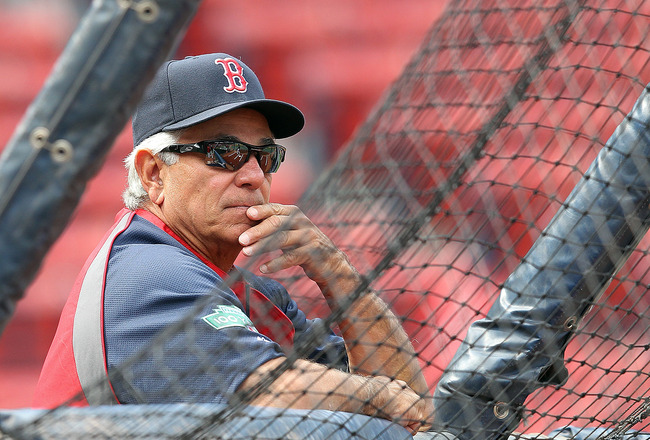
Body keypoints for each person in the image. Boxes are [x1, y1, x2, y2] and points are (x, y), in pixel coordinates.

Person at [32, 53, 433, 434]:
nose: (254, 176)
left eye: (265, 156)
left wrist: (338, 273)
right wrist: (385, 398)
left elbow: (404, 396)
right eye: (224, 153)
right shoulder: (145, 272)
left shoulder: (256, 294)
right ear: (154, 173)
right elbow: (268, 393)